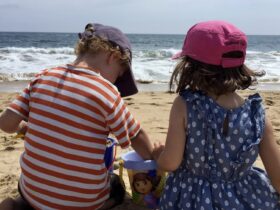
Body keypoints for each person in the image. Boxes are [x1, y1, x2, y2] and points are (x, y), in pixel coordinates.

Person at [0, 23, 154, 210]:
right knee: (116, 185)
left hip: (32, 193)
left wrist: (25, 127)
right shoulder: (107, 92)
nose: (116, 83)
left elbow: (6, 124)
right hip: (81, 203)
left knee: (27, 185)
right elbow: (136, 136)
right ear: (112, 56)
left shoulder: (43, 76)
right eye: (119, 75)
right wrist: (153, 157)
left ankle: (14, 206)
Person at [153, 20, 280, 209]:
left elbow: (171, 162)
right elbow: (277, 176)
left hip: (193, 198)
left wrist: (158, 156)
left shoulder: (186, 104)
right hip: (246, 198)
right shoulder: (256, 113)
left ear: (192, 66)